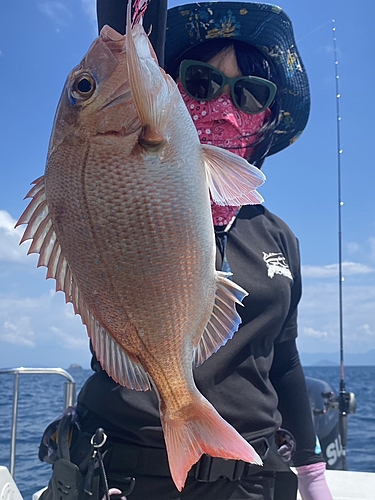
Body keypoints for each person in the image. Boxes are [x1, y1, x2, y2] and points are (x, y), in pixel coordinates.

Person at [39, 2, 333, 500]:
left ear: (265, 119)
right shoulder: (128, 139)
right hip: (121, 475)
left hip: (251, 478)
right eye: (200, 83)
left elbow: (283, 358)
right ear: (169, 84)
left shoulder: (279, 238)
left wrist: (311, 469)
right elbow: (124, 36)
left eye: (250, 93)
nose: (223, 104)